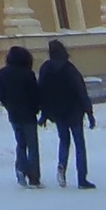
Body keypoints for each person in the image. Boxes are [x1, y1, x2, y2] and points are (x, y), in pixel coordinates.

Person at [38, 39, 96, 187]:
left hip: (58, 112)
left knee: (64, 141)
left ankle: (61, 166)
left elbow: (42, 92)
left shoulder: (45, 69)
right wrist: (89, 112)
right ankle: (82, 179)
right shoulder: (70, 68)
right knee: (79, 144)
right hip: (74, 111)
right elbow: (80, 90)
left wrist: (44, 114)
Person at [0, 43, 43, 184]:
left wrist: (8, 105)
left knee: (20, 143)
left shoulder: (3, 73)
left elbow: (1, 92)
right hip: (28, 114)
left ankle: (21, 170)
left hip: (14, 113)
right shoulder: (28, 74)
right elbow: (35, 94)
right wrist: (36, 108)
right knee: (32, 146)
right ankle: (34, 177)